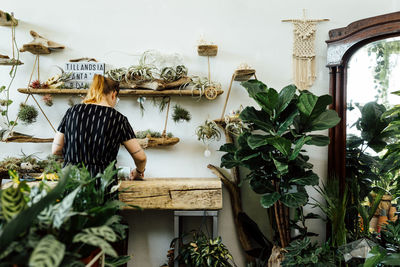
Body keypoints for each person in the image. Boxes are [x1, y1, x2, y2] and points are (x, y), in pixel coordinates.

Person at [52, 74, 147, 181]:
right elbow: (140, 158)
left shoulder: (72, 112)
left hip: (71, 180)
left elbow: (56, 149)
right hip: (102, 182)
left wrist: (74, 156)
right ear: (113, 94)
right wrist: (139, 172)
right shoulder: (118, 119)